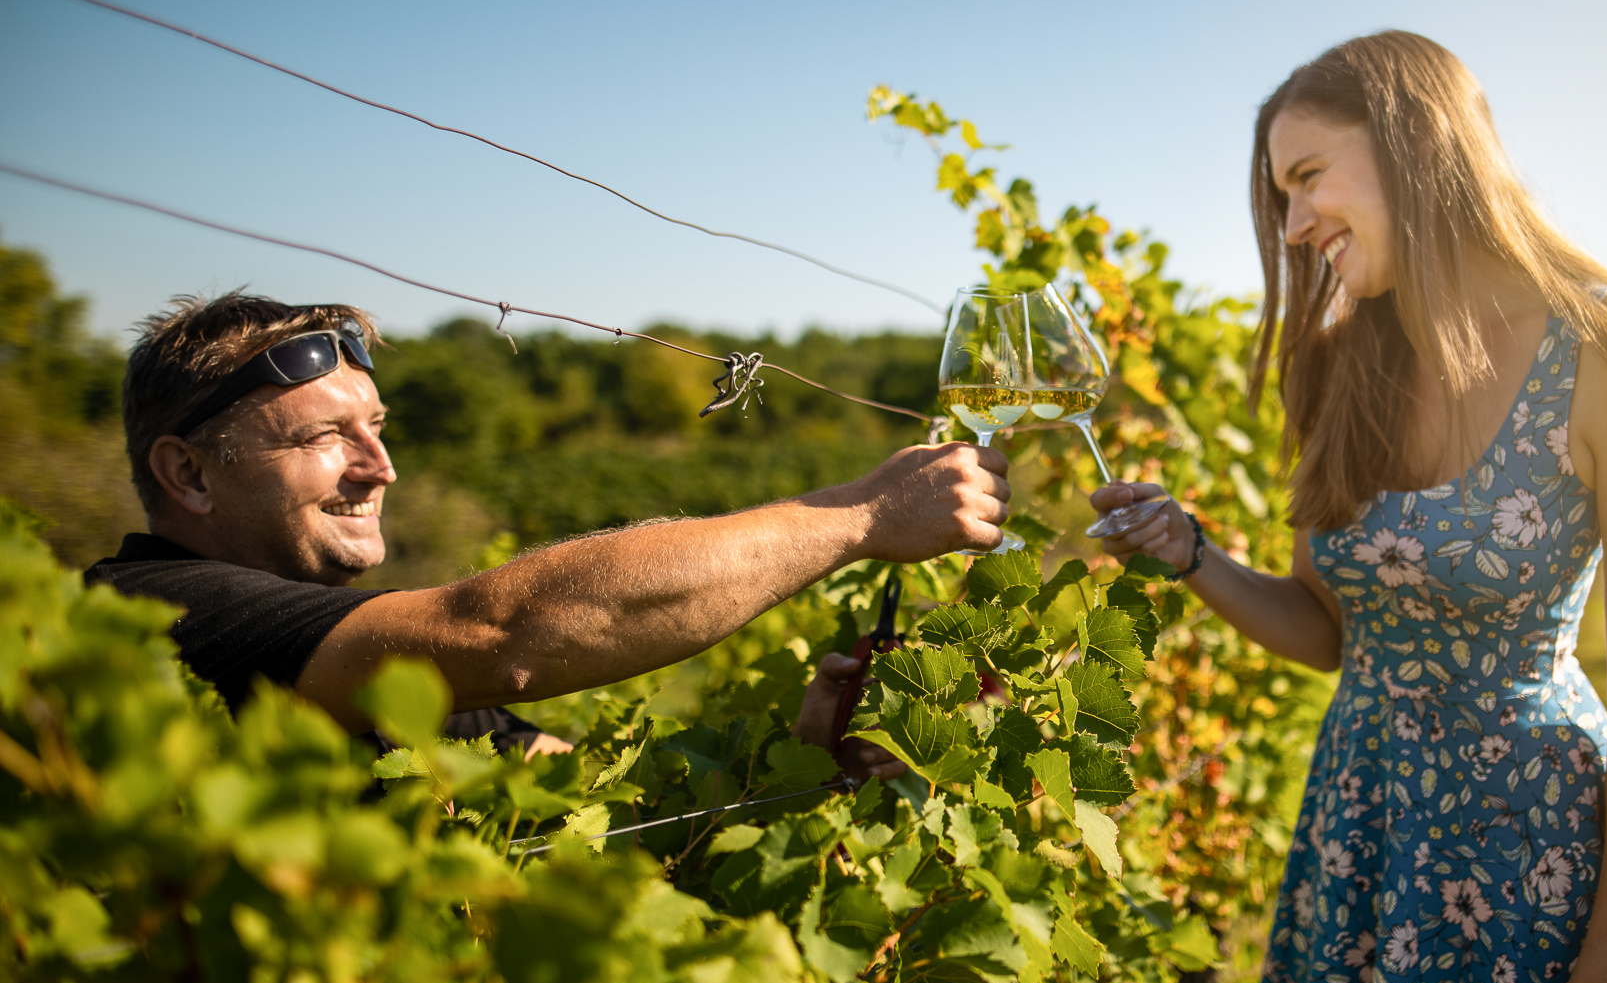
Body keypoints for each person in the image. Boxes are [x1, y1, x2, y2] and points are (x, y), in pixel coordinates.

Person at [1091, 32, 1607, 983]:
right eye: (1279, 197)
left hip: (1535, 856)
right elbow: (1332, 632)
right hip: (1363, 833)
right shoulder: (1339, 359)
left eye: (1306, 179)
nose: (1291, 227)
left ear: (1414, 148)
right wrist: (1191, 555)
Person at [86, 291, 993, 777]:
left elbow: (596, 803)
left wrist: (803, 760)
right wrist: (863, 513)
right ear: (188, 474)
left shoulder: (386, 672)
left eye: (379, 428)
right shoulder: (152, 618)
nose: (380, 467)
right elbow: (506, 634)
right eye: (326, 436)